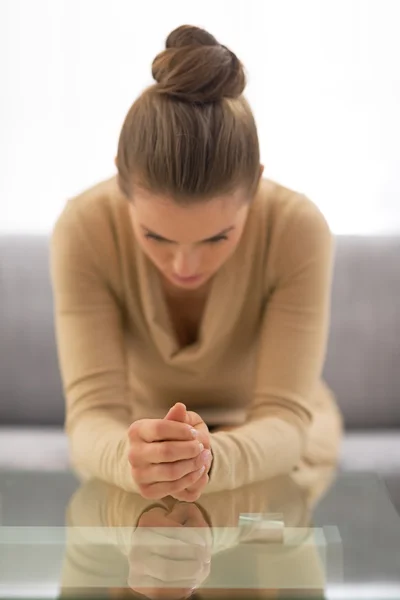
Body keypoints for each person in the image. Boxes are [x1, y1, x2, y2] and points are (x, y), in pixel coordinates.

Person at [50, 24, 343, 503]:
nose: (184, 264)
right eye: (155, 236)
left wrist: (209, 460)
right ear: (122, 185)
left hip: (277, 448)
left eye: (218, 237)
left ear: (255, 185)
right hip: (140, 446)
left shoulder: (297, 228)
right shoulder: (84, 227)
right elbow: (91, 417)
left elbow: (285, 419)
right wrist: (137, 460)